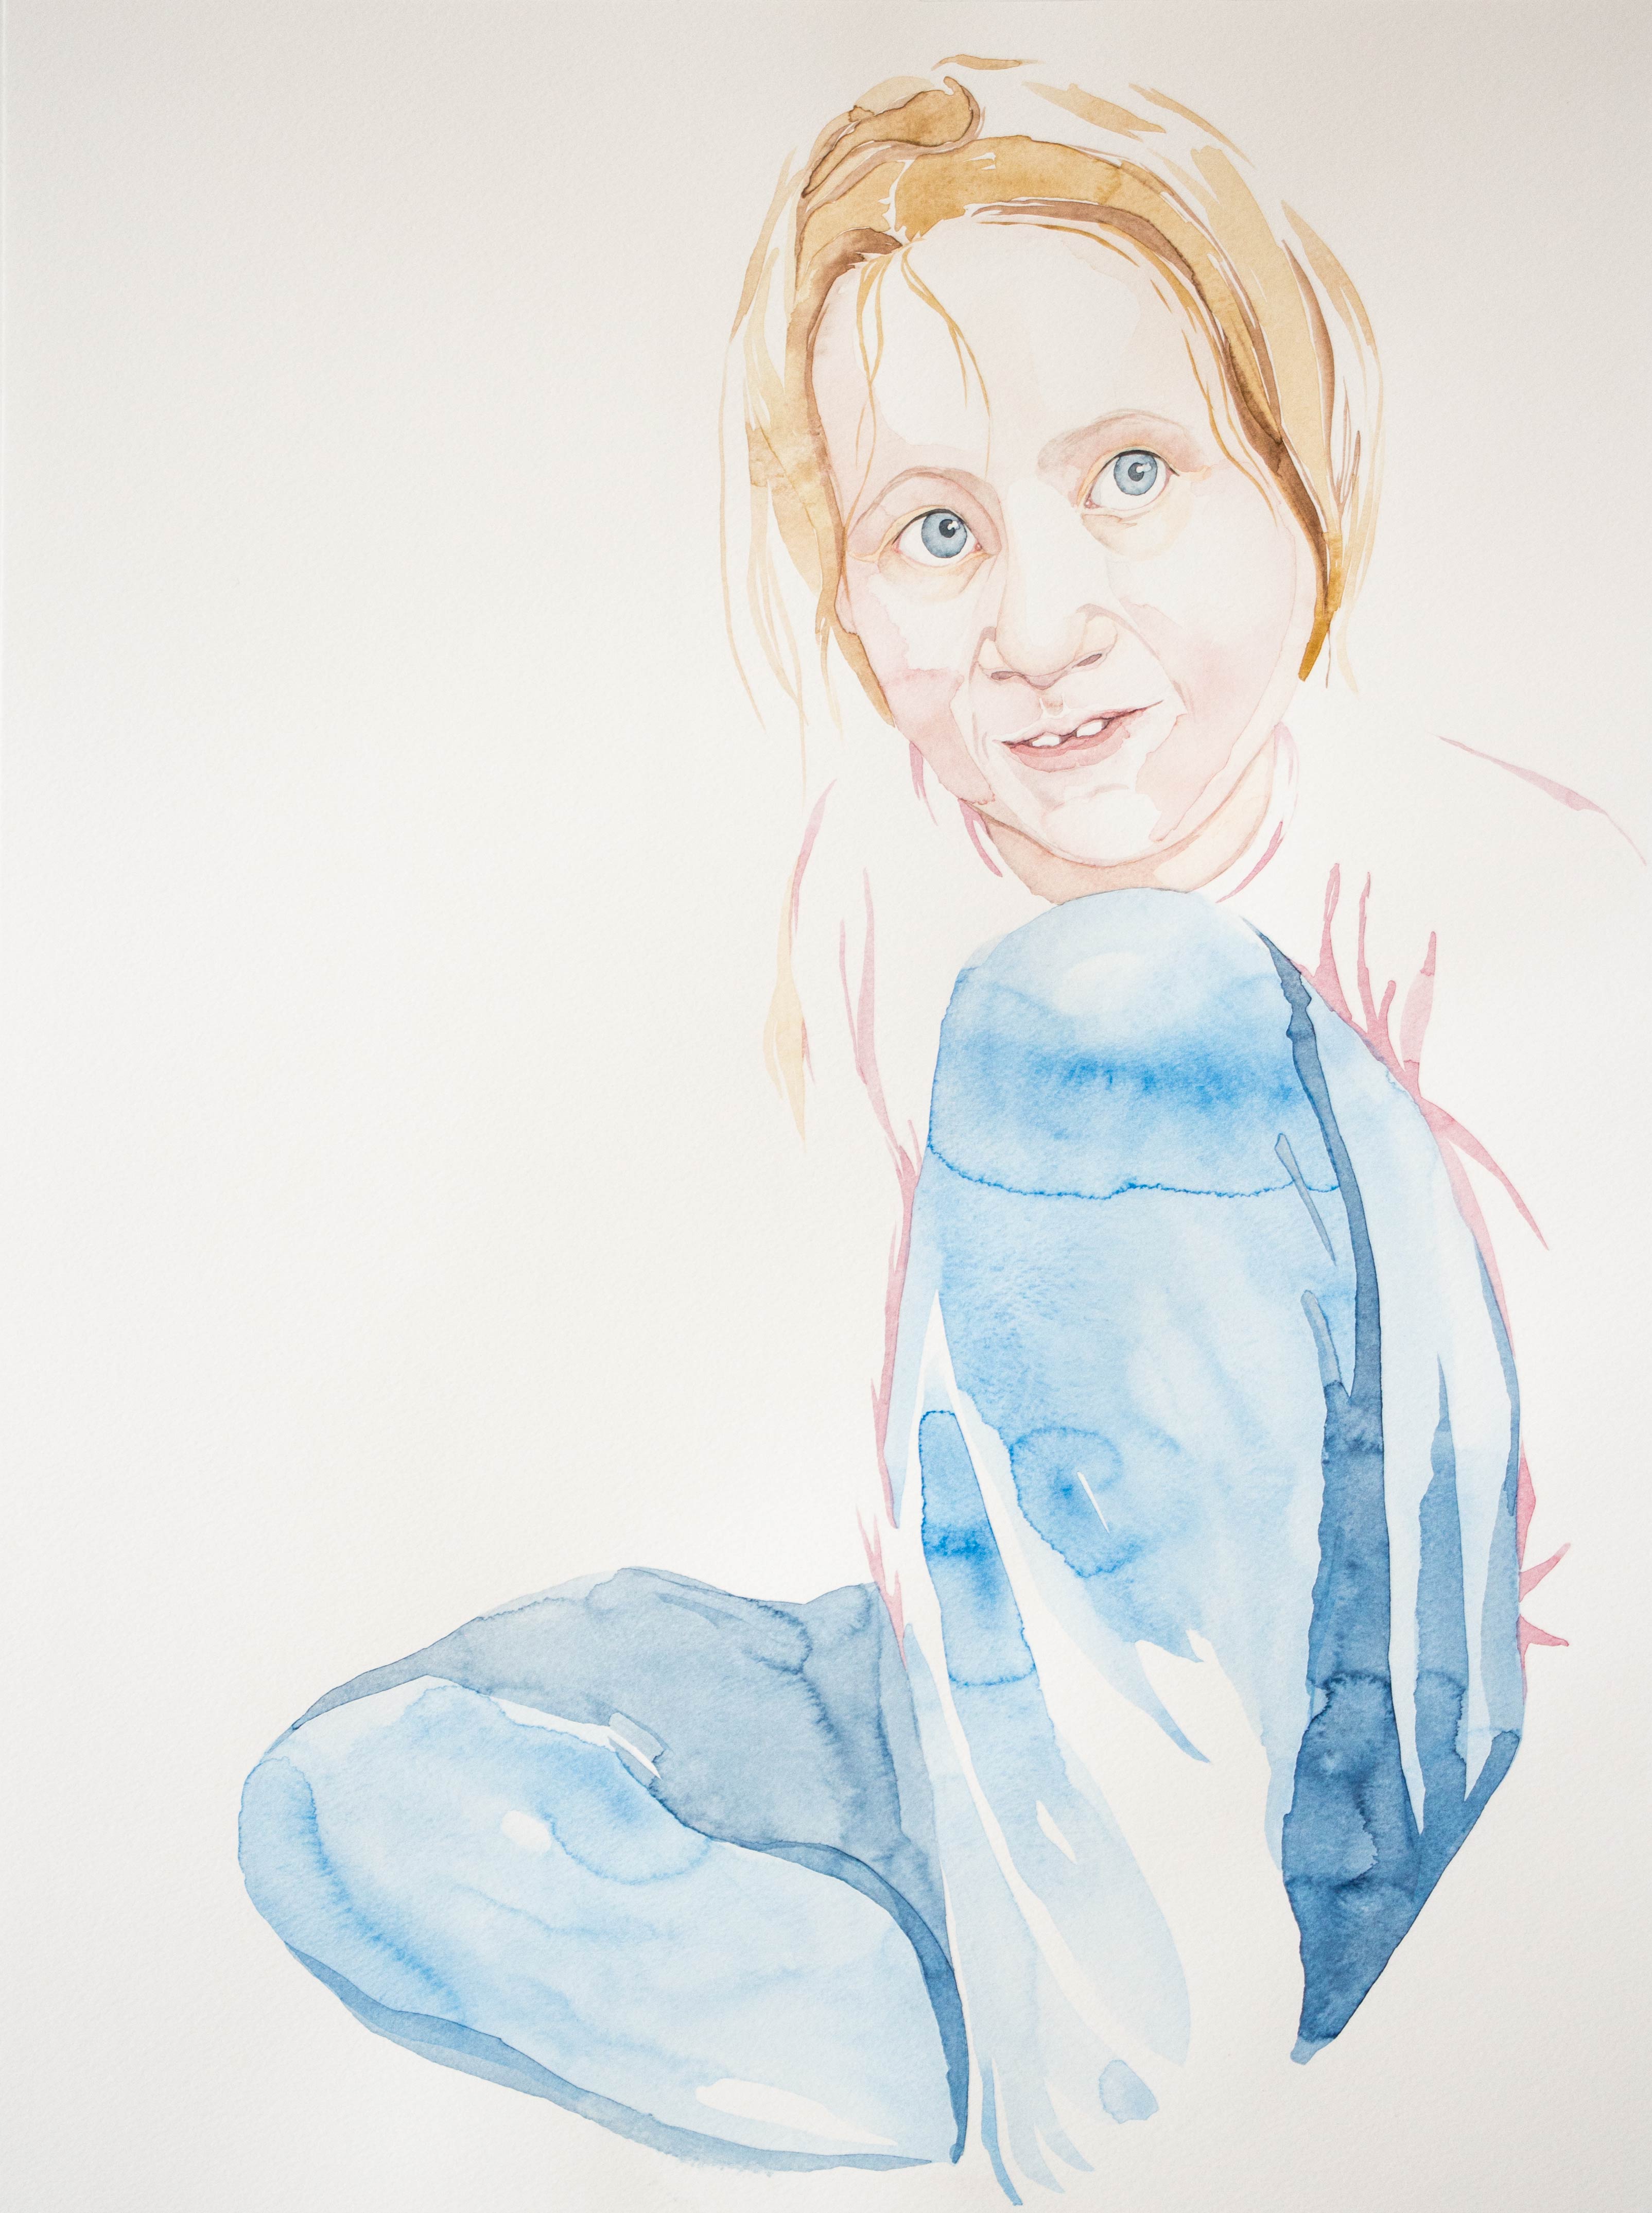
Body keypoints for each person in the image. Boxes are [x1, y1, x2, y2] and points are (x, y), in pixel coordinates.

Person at [240, 59, 1637, 2196]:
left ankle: (1115, 2112)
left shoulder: (1422, 906)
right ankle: (1002, 2024)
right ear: (844, 591)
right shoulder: (890, 893)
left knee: (1112, 1002)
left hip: (1327, 1799)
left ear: (1299, 477)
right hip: (975, 1711)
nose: (1038, 624)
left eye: (1134, 474)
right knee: (358, 1800)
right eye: (936, 532)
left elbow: (1527, 1598)